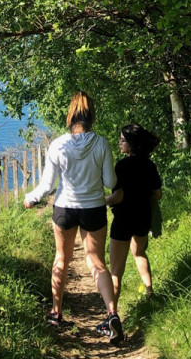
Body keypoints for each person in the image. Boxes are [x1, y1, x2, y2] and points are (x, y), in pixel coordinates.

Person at [24, 92, 124, 344]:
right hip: (93, 209)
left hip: (65, 209)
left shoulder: (58, 144)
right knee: (97, 263)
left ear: (70, 116)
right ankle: (112, 314)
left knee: (62, 258)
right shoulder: (101, 143)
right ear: (92, 116)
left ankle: (55, 313)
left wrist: (31, 198)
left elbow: (47, 186)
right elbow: (111, 182)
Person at [106, 123, 162, 309]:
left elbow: (118, 197)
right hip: (143, 218)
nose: (119, 143)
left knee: (115, 272)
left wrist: (101, 200)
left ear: (131, 143)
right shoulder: (149, 165)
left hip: (123, 221)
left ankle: (112, 315)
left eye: (123, 140)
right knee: (138, 252)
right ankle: (150, 291)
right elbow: (158, 194)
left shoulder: (122, 166)